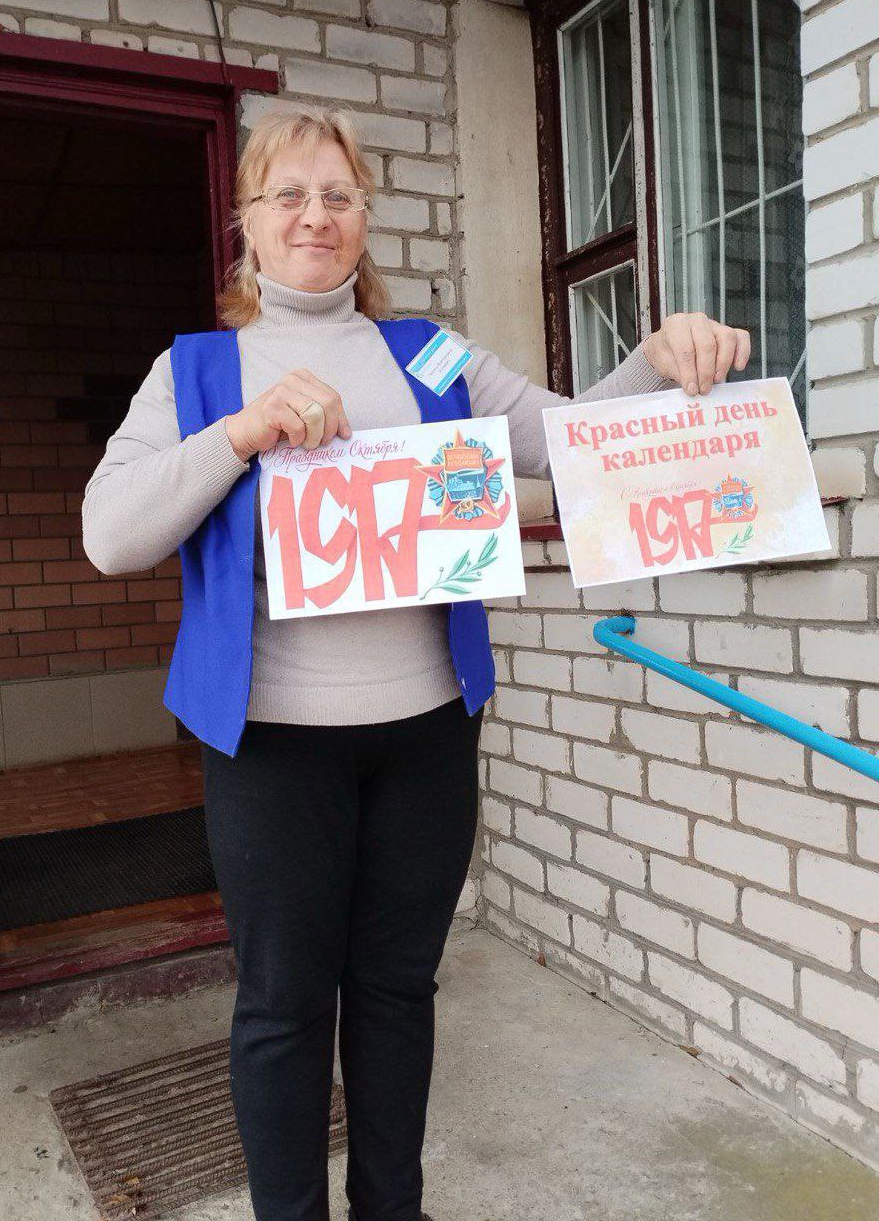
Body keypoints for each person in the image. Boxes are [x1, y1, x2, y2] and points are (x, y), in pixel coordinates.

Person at [81, 103, 751, 1221]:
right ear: (246, 220)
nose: (315, 215)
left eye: (338, 194)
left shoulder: (426, 351)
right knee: (285, 1006)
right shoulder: (196, 370)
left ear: (364, 217)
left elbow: (572, 444)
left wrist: (661, 357)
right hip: (271, 743)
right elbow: (110, 536)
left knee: (396, 988)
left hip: (428, 733)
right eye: (289, 194)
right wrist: (241, 433)